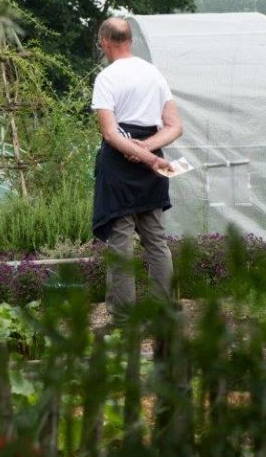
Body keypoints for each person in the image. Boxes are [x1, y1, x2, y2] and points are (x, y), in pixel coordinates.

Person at [91, 17, 183, 324]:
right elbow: (174, 127)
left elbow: (110, 133)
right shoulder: (153, 73)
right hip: (150, 162)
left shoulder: (106, 77)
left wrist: (139, 152)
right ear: (129, 40)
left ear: (105, 41)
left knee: (120, 243)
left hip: (122, 163)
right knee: (156, 240)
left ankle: (123, 318)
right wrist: (149, 150)